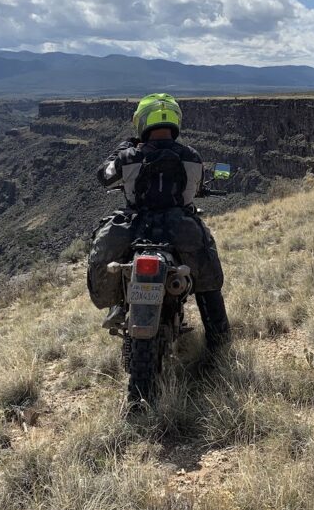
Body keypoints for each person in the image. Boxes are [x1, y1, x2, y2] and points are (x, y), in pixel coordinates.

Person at [86, 93, 231, 350]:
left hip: (136, 226)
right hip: (180, 227)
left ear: (142, 122)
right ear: (175, 121)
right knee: (208, 275)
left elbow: (104, 176)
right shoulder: (192, 156)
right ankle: (219, 345)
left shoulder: (129, 156)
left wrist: (122, 149)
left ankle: (118, 306)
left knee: (106, 253)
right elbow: (197, 184)